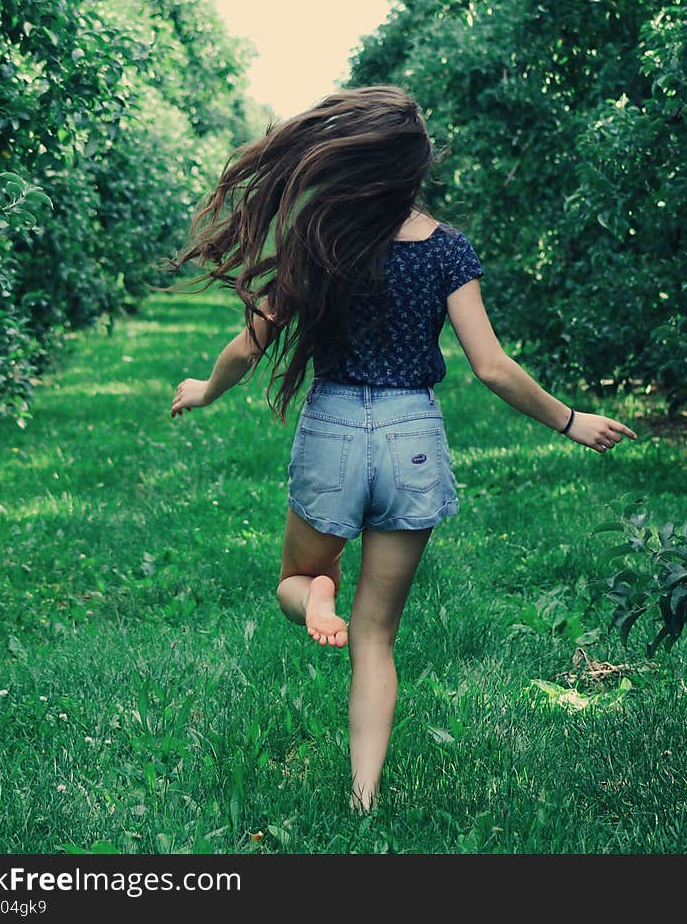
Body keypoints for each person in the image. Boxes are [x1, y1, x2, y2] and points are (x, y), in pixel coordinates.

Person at [165, 84, 636, 812]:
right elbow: (492, 366)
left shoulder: (319, 236)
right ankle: (362, 797)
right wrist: (570, 420)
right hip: (412, 433)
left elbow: (249, 345)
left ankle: (315, 594)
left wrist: (204, 389)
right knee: (376, 633)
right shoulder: (448, 250)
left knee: (295, 579)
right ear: (413, 169)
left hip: (334, 429)